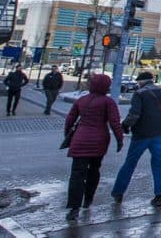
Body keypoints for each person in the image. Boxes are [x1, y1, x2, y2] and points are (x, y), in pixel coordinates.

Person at [64, 73, 124, 221]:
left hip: (79, 140)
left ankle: (73, 208)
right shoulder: (108, 102)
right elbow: (115, 123)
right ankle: (88, 198)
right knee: (94, 170)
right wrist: (119, 140)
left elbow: (70, 120)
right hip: (99, 141)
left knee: (77, 174)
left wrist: (68, 135)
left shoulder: (81, 100)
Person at [111, 71, 161, 207]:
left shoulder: (139, 94)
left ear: (141, 82)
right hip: (159, 135)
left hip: (141, 135)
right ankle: (159, 195)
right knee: (158, 164)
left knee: (130, 163)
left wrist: (125, 125)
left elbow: (134, 114)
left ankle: (118, 192)